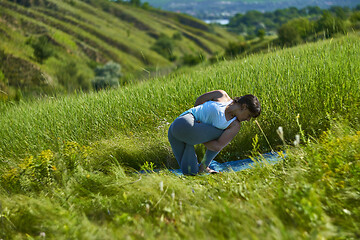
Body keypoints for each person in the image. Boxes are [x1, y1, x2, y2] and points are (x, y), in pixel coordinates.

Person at [168, 90, 261, 175]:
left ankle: (202, 167)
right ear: (244, 106)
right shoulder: (222, 95)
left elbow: (217, 146)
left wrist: (197, 135)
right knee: (221, 132)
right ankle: (204, 166)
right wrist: (197, 123)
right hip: (184, 122)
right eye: (249, 115)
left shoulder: (234, 125)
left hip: (181, 135)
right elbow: (200, 100)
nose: (248, 120)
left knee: (190, 172)